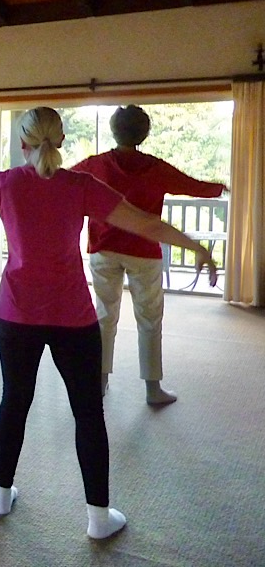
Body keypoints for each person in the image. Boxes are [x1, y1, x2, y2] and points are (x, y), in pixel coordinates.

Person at [0, 107, 217, 539]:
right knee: (88, 412)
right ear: (62, 140)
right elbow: (145, 223)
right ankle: (97, 519)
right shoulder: (81, 186)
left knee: (13, 401)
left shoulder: (3, 183)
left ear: (23, 143)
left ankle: (0, 496)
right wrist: (195, 247)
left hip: (15, 315)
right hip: (72, 318)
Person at [72, 105, 227, 405]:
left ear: (114, 130)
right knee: (150, 319)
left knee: (104, 315)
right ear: (144, 133)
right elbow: (193, 186)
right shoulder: (156, 168)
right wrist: (221, 188)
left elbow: (62, 180)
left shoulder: (96, 164)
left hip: (104, 248)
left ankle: (99, 382)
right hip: (144, 250)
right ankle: (153, 389)